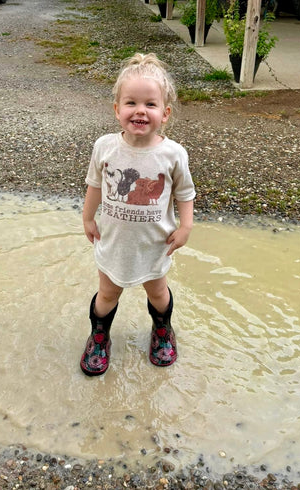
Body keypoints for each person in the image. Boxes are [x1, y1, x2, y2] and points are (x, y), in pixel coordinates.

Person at [80, 53, 195, 376]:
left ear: (165, 113)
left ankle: (162, 331)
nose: (140, 111)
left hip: (154, 243)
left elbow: (185, 193)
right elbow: (95, 185)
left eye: (151, 104)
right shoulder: (105, 147)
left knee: (157, 291)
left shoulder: (172, 154)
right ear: (117, 109)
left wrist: (185, 226)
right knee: (107, 292)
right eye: (131, 103)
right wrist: (88, 218)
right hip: (114, 241)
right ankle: (99, 337)